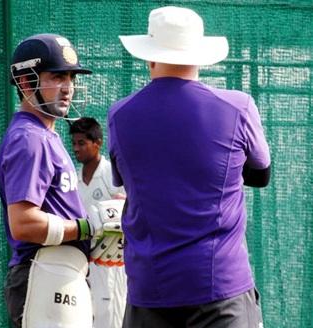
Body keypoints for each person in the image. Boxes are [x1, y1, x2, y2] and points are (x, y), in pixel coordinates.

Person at [108, 6, 271, 328]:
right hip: (221, 288)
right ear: (199, 55)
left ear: (149, 55)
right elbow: (260, 173)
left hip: (149, 289)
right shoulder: (237, 106)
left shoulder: (120, 114)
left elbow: (125, 181)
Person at [0, 33, 95, 328]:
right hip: (42, 275)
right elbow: (23, 223)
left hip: (57, 275)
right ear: (26, 82)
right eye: (57, 77)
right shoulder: (30, 138)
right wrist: (86, 228)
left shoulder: (44, 134)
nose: (68, 88)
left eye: (71, 78)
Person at [69, 117, 127, 328]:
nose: (76, 148)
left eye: (82, 143)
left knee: (111, 317)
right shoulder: (73, 180)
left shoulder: (112, 175)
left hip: (112, 263)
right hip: (84, 262)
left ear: (98, 143)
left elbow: (128, 209)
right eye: (74, 143)